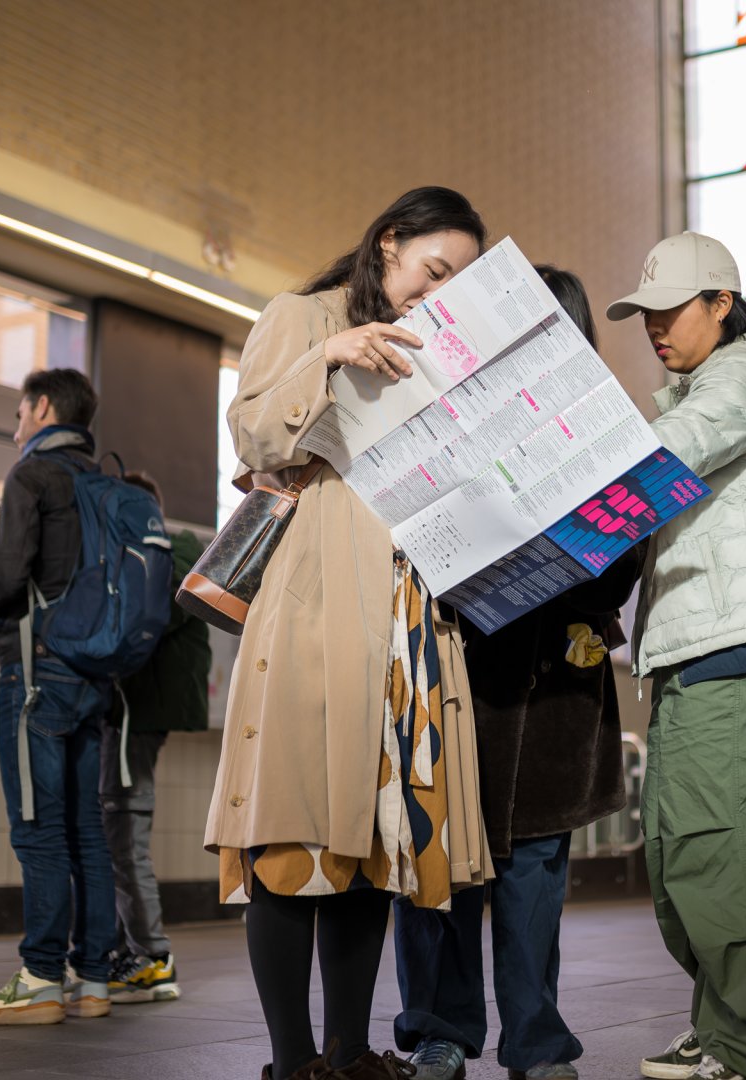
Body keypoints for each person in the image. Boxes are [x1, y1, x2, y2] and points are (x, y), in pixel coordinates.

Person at [206, 185, 493, 1080]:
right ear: (388, 244)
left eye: (455, 285)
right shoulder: (303, 317)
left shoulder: (438, 349)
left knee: (370, 839)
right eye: (432, 271)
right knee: (293, 828)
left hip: (407, 609)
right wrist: (329, 355)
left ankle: (349, 1049)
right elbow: (253, 435)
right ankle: (294, 1061)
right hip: (317, 603)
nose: (436, 295)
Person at [393, 267, 644, 1080]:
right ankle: (440, 1031)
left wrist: (590, 541)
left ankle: (535, 1040)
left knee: (532, 874)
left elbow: (619, 572)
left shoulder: (605, 433)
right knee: (439, 864)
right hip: (453, 675)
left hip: (552, 689)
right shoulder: (444, 420)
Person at [606, 233, 746, 1080]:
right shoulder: (707, 385)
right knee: (686, 858)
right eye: (646, 314)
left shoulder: (740, 376)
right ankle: (723, 1025)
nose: (654, 327)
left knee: (729, 856)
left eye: (671, 310)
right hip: (703, 654)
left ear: (722, 304)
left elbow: (668, 457)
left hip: (739, 649)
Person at [0, 368, 117, 1025]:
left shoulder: (32, 476)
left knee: (39, 827)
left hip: (35, 675)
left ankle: (42, 977)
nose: (16, 424)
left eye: (20, 411)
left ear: (43, 407)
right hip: (93, 676)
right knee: (87, 830)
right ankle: (94, 977)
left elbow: (8, 572)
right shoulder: (103, 482)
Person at [103, 470, 209, 1005]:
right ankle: (130, 951)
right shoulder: (165, 554)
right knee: (118, 833)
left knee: (125, 834)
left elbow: (150, 618)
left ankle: (150, 956)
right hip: (132, 711)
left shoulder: (172, 552)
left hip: (136, 713)